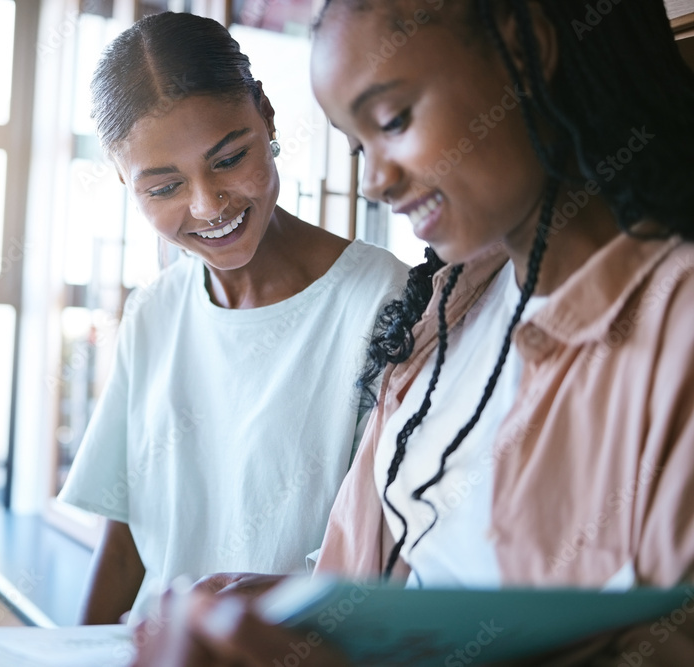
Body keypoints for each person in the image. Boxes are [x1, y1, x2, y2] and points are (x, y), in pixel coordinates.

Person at [130, 0, 694, 663]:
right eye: (357, 144)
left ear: (527, 50)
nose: (376, 181)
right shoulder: (443, 315)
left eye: (392, 120)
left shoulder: (671, 324)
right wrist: (296, 612)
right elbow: (420, 579)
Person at [57, 12, 410, 626]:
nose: (207, 204)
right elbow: (123, 548)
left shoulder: (383, 300)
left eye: (229, 157)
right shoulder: (153, 314)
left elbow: (394, 552)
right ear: (124, 180)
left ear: (266, 117)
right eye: (163, 188)